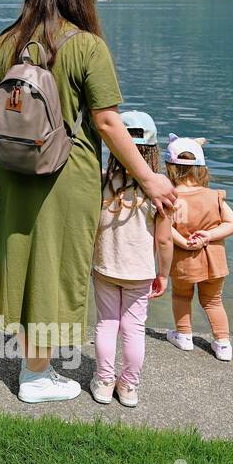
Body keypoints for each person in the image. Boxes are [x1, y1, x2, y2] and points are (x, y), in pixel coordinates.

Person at [0, 0, 176, 404]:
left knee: (24, 261)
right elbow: (108, 123)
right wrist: (149, 178)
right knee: (55, 267)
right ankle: (36, 376)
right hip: (67, 177)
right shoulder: (87, 46)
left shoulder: (2, 44)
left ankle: (34, 365)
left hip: (13, 170)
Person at [90, 111, 173, 408]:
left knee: (106, 324)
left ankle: (103, 382)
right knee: (134, 328)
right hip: (140, 272)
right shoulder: (160, 189)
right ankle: (128, 386)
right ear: (153, 149)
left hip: (104, 268)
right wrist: (163, 273)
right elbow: (164, 240)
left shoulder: (100, 183)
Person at [164, 135, 233, 362]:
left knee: (181, 295)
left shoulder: (172, 198)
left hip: (184, 259)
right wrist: (208, 235)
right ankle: (223, 344)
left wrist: (185, 243)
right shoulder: (214, 196)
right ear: (201, 169)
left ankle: (184, 336)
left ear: (170, 168)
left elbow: (166, 227)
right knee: (213, 300)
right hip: (214, 260)